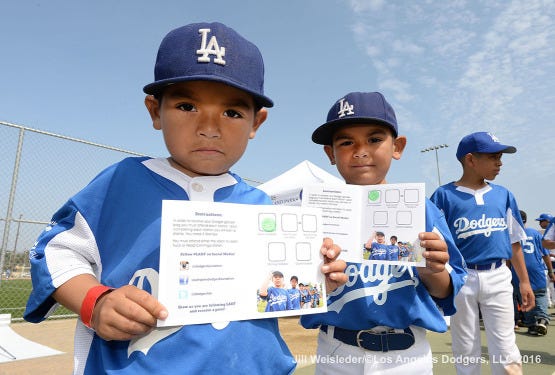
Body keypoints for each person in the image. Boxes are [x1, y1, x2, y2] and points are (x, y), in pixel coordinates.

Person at [23, 22, 347, 375]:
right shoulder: (122, 182)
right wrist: (95, 302)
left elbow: (272, 298)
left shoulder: (260, 204)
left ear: (257, 123)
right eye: (187, 105)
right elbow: (55, 252)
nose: (209, 126)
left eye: (233, 112)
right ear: (154, 111)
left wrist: (317, 279)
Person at [300, 91, 467, 374]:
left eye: (375, 139)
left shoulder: (423, 209)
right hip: (337, 350)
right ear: (330, 153)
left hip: (408, 354)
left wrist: (432, 270)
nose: (360, 150)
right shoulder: (314, 212)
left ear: (397, 147)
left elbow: (447, 290)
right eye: (346, 142)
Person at [430, 131, 535, 375]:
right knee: (465, 347)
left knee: (506, 346)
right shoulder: (443, 196)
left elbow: (515, 242)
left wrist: (525, 282)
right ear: (470, 160)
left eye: (500, 157)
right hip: (461, 277)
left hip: (498, 274)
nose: (500, 163)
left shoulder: (504, 194)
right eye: (494, 157)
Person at [512, 210, 554, 335]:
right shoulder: (535, 233)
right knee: (540, 294)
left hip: (518, 270)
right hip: (536, 269)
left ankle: (531, 324)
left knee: (523, 296)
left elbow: (509, 257)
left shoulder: (511, 234)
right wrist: (550, 271)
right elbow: (545, 254)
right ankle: (542, 319)